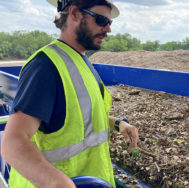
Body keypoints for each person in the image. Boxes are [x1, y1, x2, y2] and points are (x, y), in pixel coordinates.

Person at [0, 0, 139, 187]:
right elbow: (13, 143)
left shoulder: (80, 59)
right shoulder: (45, 67)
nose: (108, 29)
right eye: (100, 20)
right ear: (74, 13)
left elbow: (80, 116)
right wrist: (57, 182)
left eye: (110, 22)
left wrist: (118, 124)